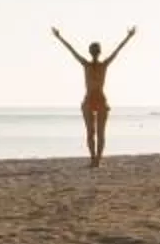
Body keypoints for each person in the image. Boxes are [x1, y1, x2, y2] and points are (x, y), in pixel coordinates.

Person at [52, 26, 136, 167]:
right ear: (93, 52)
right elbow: (117, 50)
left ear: (95, 52)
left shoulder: (96, 65)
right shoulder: (90, 64)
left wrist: (129, 37)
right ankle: (95, 160)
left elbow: (72, 50)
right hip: (92, 100)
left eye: (95, 51)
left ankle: (95, 160)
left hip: (98, 100)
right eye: (94, 51)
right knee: (95, 133)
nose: (95, 53)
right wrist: (128, 37)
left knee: (96, 133)